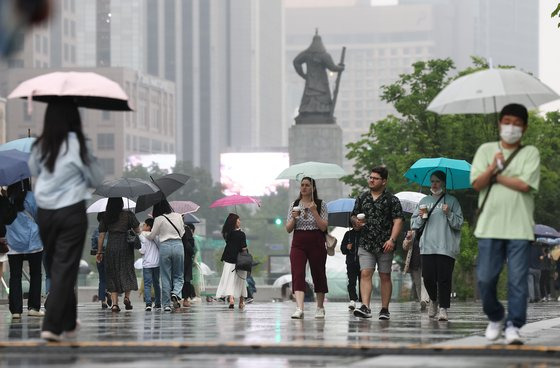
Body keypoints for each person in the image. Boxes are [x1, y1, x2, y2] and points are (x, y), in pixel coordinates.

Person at [28, 99, 104, 342]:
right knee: (65, 265)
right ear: (75, 119)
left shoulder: (42, 144)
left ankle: (69, 321)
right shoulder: (78, 144)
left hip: (45, 212)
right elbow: (96, 177)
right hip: (71, 211)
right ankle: (51, 324)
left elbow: (34, 169)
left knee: (56, 265)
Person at [471, 103, 540, 345]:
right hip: (490, 227)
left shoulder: (530, 153)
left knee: (517, 280)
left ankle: (514, 325)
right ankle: (496, 316)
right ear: (500, 123)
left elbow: (525, 185)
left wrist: (496, 176)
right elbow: (477, 184)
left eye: (517, 123)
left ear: (524, 127)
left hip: (519, 227)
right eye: (507, 121)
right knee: (485, 279)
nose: (511, 127)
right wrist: (492, 166)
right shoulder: (486, 150)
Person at [351, 166, 404, 320]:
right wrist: (356, 222)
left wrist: (392, 240)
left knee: (384, 275)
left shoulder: (392, 200)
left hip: (385, 244)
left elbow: (398, 220)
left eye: (375, 178)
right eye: (370, 177)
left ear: (384, 181)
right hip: (366, 243)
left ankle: (384, 309)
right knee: (365, 273)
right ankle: (365, 307)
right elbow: (353, 216)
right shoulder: (362, 198)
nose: (371, 180)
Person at [410, 171, 463, 321]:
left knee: (444, 279)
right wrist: (420, 217)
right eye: (432, 181)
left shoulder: (452, 201)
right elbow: (414, 224)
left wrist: (449, 213)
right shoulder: (423, 201)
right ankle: (433, 300)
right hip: (427, 246)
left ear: (443, 183)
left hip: (446, 246)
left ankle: (443, 308)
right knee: (428, 278)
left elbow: (459, 224)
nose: (434, 184)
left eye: (437, 181)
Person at [285, 177, 329, 319]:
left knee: (318, 273)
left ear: (313, 188)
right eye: (302, 185)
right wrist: (294, 218)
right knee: (298, 273)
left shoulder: (321, 204)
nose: (304, 188)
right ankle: (299, 307)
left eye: (307, 185)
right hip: (298, 242)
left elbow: (323, 226)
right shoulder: (295, 204)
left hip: (316, 240)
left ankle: (320, 307)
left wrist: (314, 211)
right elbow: (288, 229)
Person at [5, 179, 44, 319]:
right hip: (33, 241)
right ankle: (33, 307)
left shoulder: (7, 199)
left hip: (13, 243)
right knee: (35, 274)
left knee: (15, 276)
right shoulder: (31, 197)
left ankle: (16, 311)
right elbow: (40, 217)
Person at [96, 197, 140, 312]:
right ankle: (126, 297)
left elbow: (101, 236)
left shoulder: (106, 216)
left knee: (112, 273)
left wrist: (99, 252)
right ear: (121, 203)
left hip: (111, 247)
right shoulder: (128, 214)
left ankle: (115, 304)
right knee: (127, 271)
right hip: (125, 246)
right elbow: (138, 229)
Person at [293, 30, 344, 120]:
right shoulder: (324, 55)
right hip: (321, 83)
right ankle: (321, 113)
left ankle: (311, 113)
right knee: (321, 98)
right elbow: (332, 67)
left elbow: (296, 62)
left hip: (311, 82)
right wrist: (340, 67)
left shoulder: (307, 54)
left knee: (309, 97)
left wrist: (303, 74)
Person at [145, 199, 184, 312]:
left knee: (165, 276)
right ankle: (176, 293)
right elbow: (182, 232)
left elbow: (152, 235)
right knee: (178, 275)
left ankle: (166, 305)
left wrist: (145, 235)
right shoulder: (178, 216)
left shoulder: (158, 219)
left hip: (165, 247)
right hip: (178, 245)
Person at [215, 213, 248, 309]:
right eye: (238, 220)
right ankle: (241, 302)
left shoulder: (227, 234)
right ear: (234, 221)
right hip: (240, 259)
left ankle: (231, 299)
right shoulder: (241, 234)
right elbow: (243, 247)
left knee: (229, 279)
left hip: (228, 259)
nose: (240, 221)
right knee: (241, 280)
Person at [139, 218, 161, 311]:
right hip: (157, 263)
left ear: (148, 226)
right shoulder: (157, 236)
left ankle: (148, 303)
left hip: (147, 264)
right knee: (156, 283)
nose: (143, 226)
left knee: (147, 284)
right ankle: (158, 303)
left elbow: (142, 251)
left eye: (144, 225)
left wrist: (139, 250)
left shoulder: (142, 236)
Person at [91, 212, 111, 309]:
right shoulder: (111, 230)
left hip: (100, 256)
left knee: (102, 279)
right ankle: (109, 292)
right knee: (111, 277)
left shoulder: (96, 231)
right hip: (110, 256)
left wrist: (97, 252)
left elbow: (94, 246)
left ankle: (103, 300)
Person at [341, 223, 361, 311]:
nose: (356, 225)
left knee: (363, 281)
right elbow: (342, 249)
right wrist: (346, 247)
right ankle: (352, 299)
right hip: (351, 262)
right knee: (351, 281)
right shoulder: (348, 234)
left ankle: (363, 300)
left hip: (363, 262)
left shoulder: (365, 233)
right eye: (354, 224)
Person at [181, 223, 196, 307]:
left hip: (180, 256)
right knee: (186, 279)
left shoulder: (173, 228)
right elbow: (191, 244)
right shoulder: (186, 229)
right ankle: (186, 299)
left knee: (177, 278)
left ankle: (177, 297)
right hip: (186, 257)